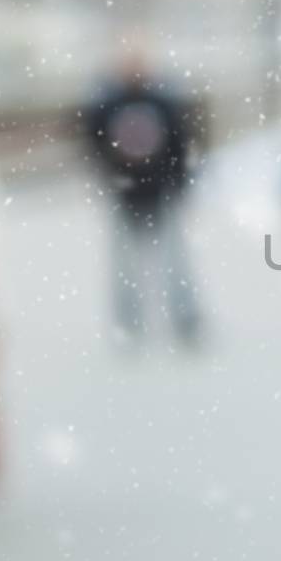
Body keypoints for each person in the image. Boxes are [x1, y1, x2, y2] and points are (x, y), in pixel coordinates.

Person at [81, 53, 204, 349]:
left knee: (175, 261)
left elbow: (181, 141)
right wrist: (108, 176)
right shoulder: (108, 104)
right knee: (126, 265)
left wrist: (180, 181)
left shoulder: (163, 103)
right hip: (125, 193)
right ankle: (128, 322)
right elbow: (93, 141)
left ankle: (185, 319)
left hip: (161, 191)